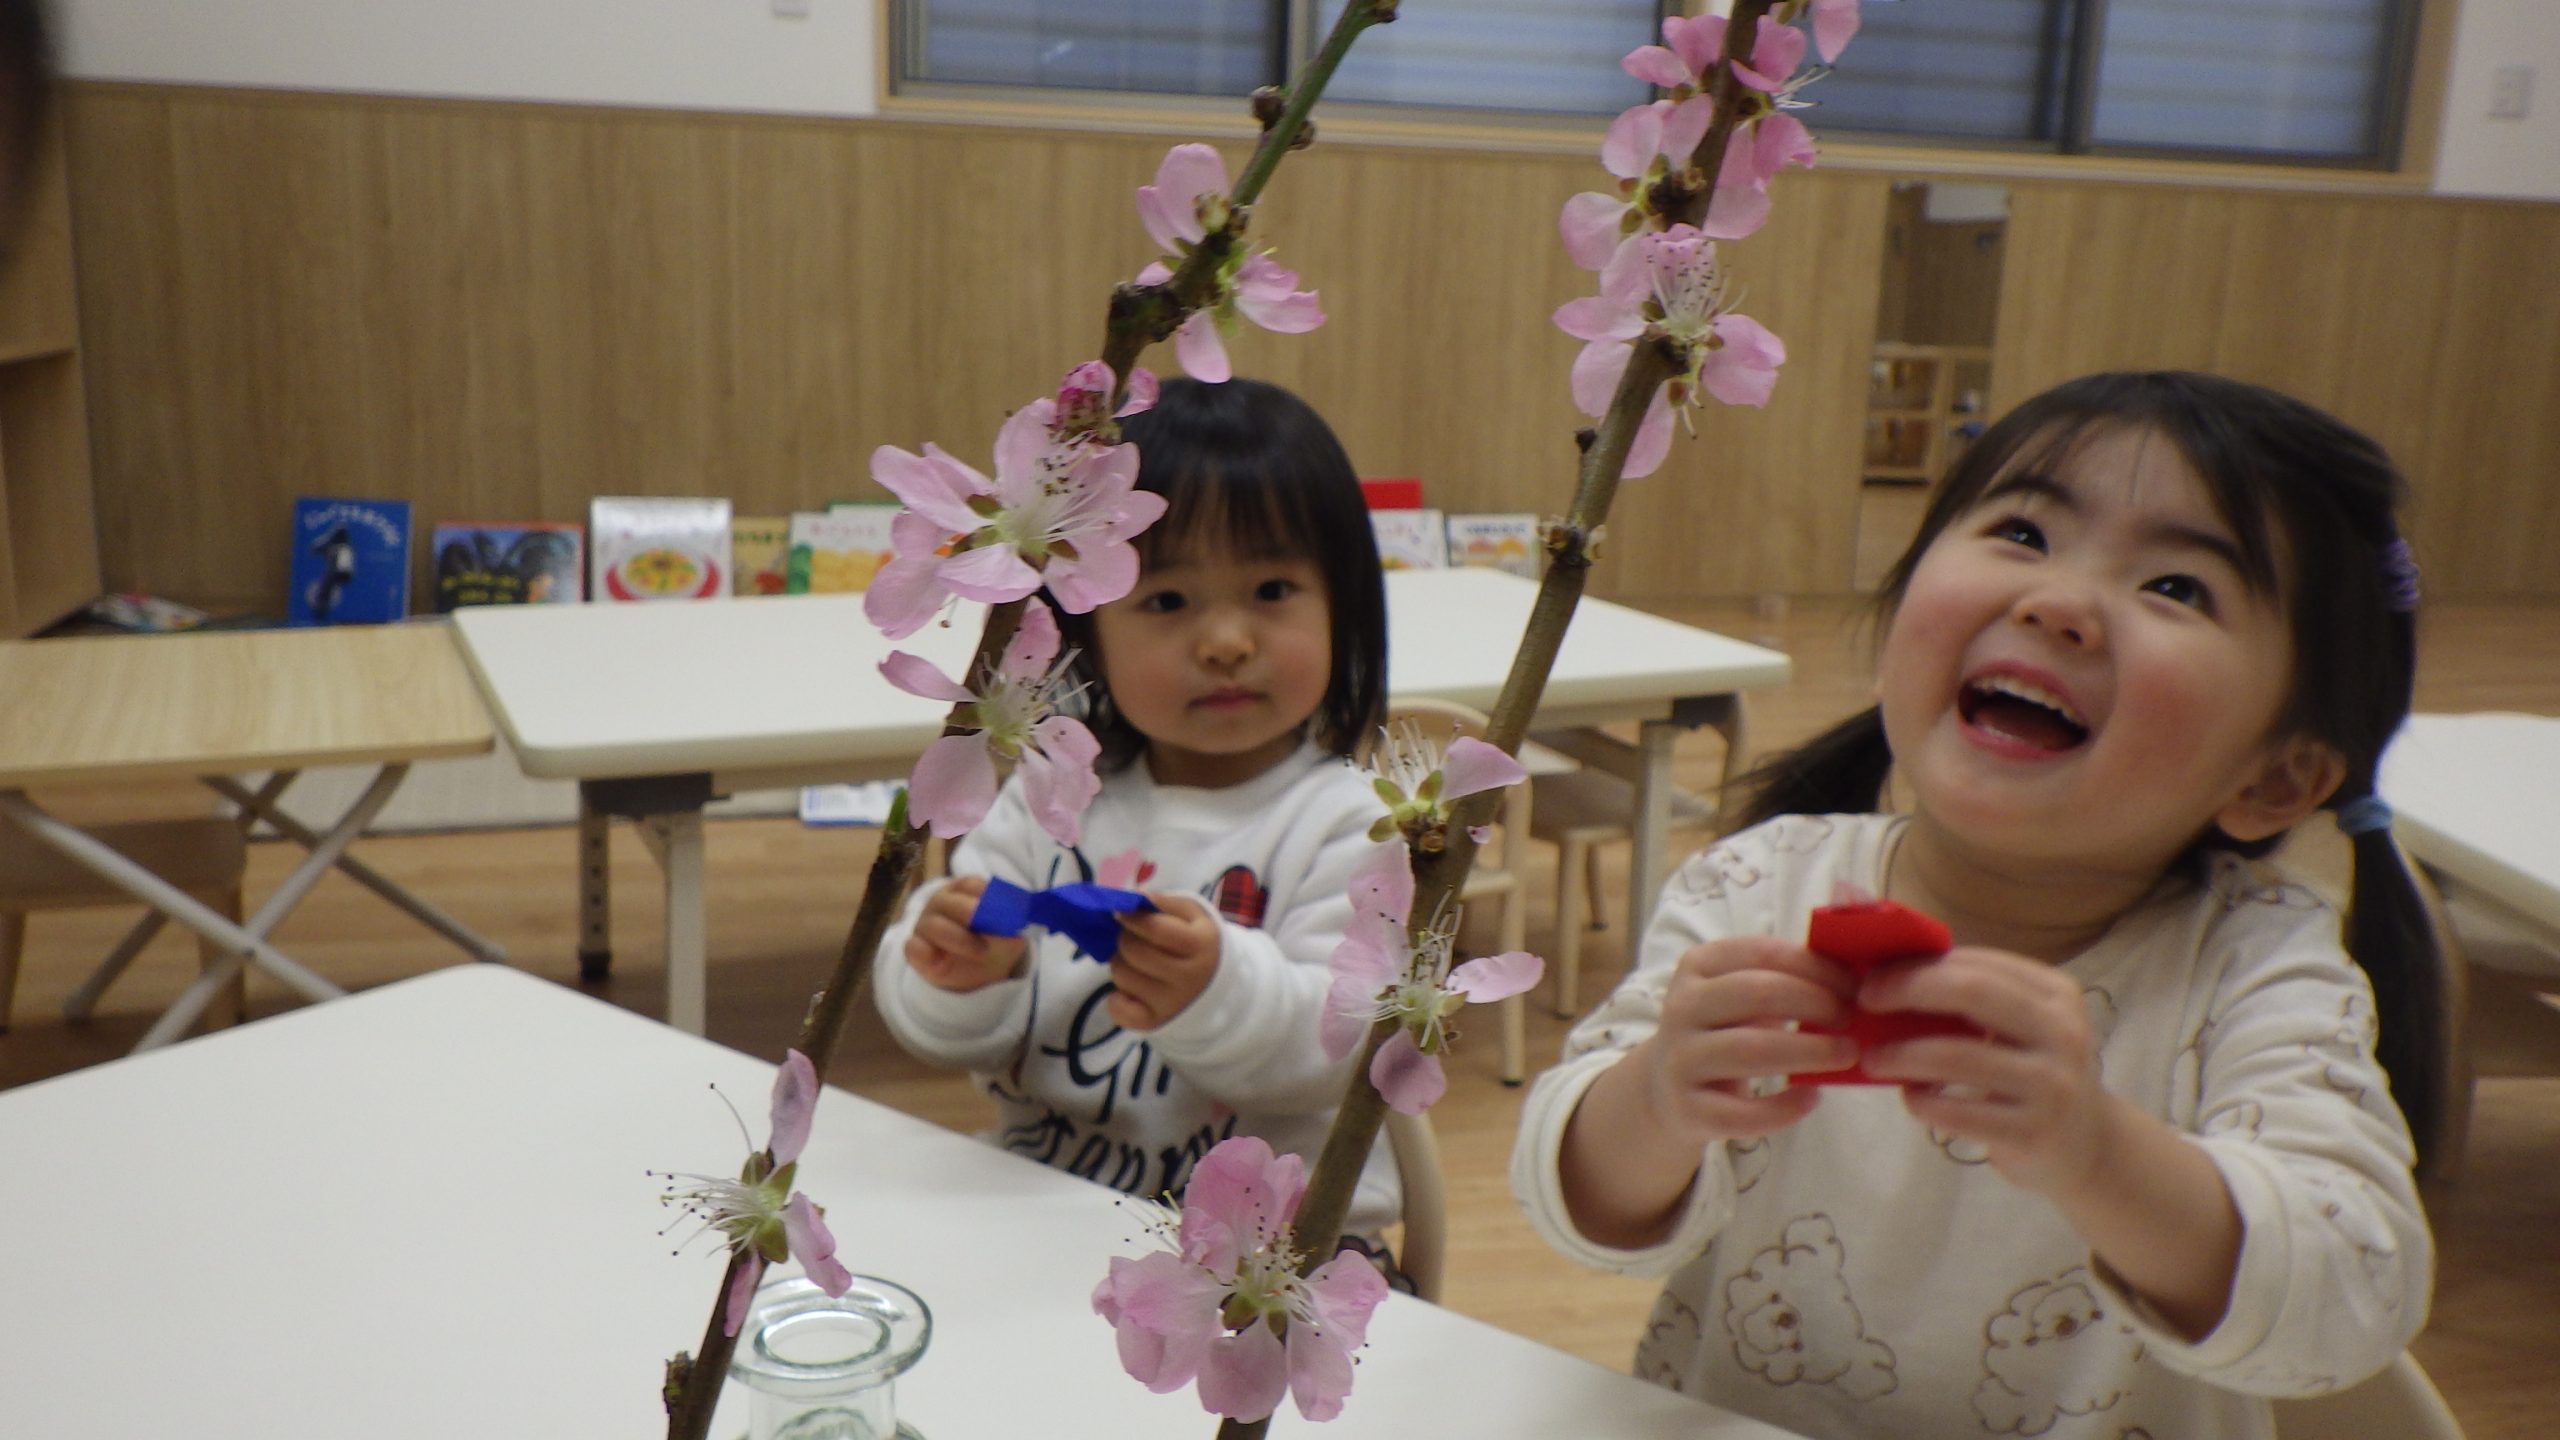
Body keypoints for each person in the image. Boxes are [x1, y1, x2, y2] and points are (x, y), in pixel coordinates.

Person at [1511, 371, 2438, 1439]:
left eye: (2178, 587)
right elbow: (1573, 1207)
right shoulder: (1757, 887)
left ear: (2273, 779)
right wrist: (1656, 1100)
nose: (2057, 602)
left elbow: (2352, 1294)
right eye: (2023, 531)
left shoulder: (2254, 969)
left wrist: (2095, 1150)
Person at [873, 376, 1404, 1243]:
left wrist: (1214, 988)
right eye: (1167, 601)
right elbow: (937, 1023)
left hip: (1267, 1260)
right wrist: (956, 972)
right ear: (1088, 631)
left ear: (1343, 605)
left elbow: (1335, 1053)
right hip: (1050, 1213)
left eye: (1272, 590)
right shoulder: (1054, 797)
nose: (1227, 641)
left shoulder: (1352, 826)